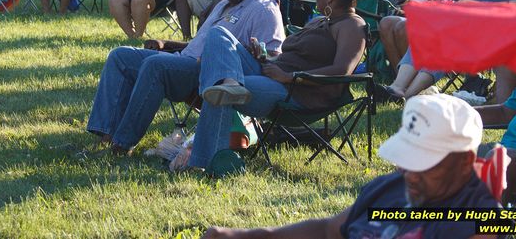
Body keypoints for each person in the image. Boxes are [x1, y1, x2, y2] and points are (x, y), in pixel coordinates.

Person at [201, 94, 499, 239]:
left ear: (463, 162)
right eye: (406, 158)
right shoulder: (391, 186)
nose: (408, 173)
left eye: (423, 163)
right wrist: (242, 235)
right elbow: (330, 229)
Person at [86, 0, 285, 154]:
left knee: (156, 65)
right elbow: (199, 43)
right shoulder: (224, 4)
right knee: (120, 56)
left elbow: (273, 57)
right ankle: (107, 134)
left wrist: (258, 54)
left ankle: (122, 144)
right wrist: (168, 44)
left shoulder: (263, 9)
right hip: (182, 59)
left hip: (205, 73)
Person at [188, 0, 368, 170]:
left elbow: (342, 70)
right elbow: (292, 56)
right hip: (274, 74)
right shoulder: (320, 20)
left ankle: (204, 162)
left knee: (219, 86)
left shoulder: (352, 26)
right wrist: (265, 56)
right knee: (218, 34)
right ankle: (231, 84)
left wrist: (290, 77)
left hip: (297, 92)